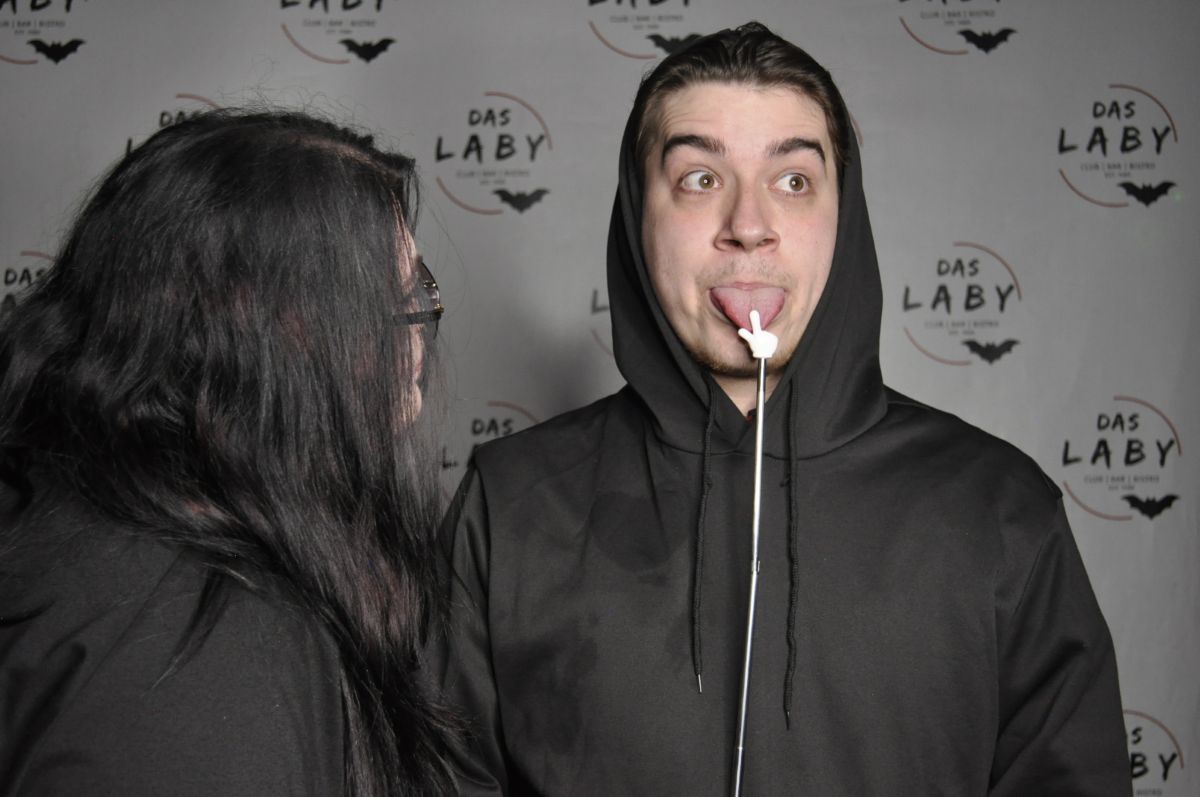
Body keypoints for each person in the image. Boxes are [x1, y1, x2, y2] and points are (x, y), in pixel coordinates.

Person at [432, 22, 1130, 796]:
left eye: (793, 180)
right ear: (637, 215)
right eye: (700, 178)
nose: (749, 225)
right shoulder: (510, 505)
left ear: (844, 215)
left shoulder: (999, 509)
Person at [0, 110, 455, 796]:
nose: (417, 337)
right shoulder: (198, 639)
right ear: (253, 330)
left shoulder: (93, 523)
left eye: (418, 290)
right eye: (384, 301)